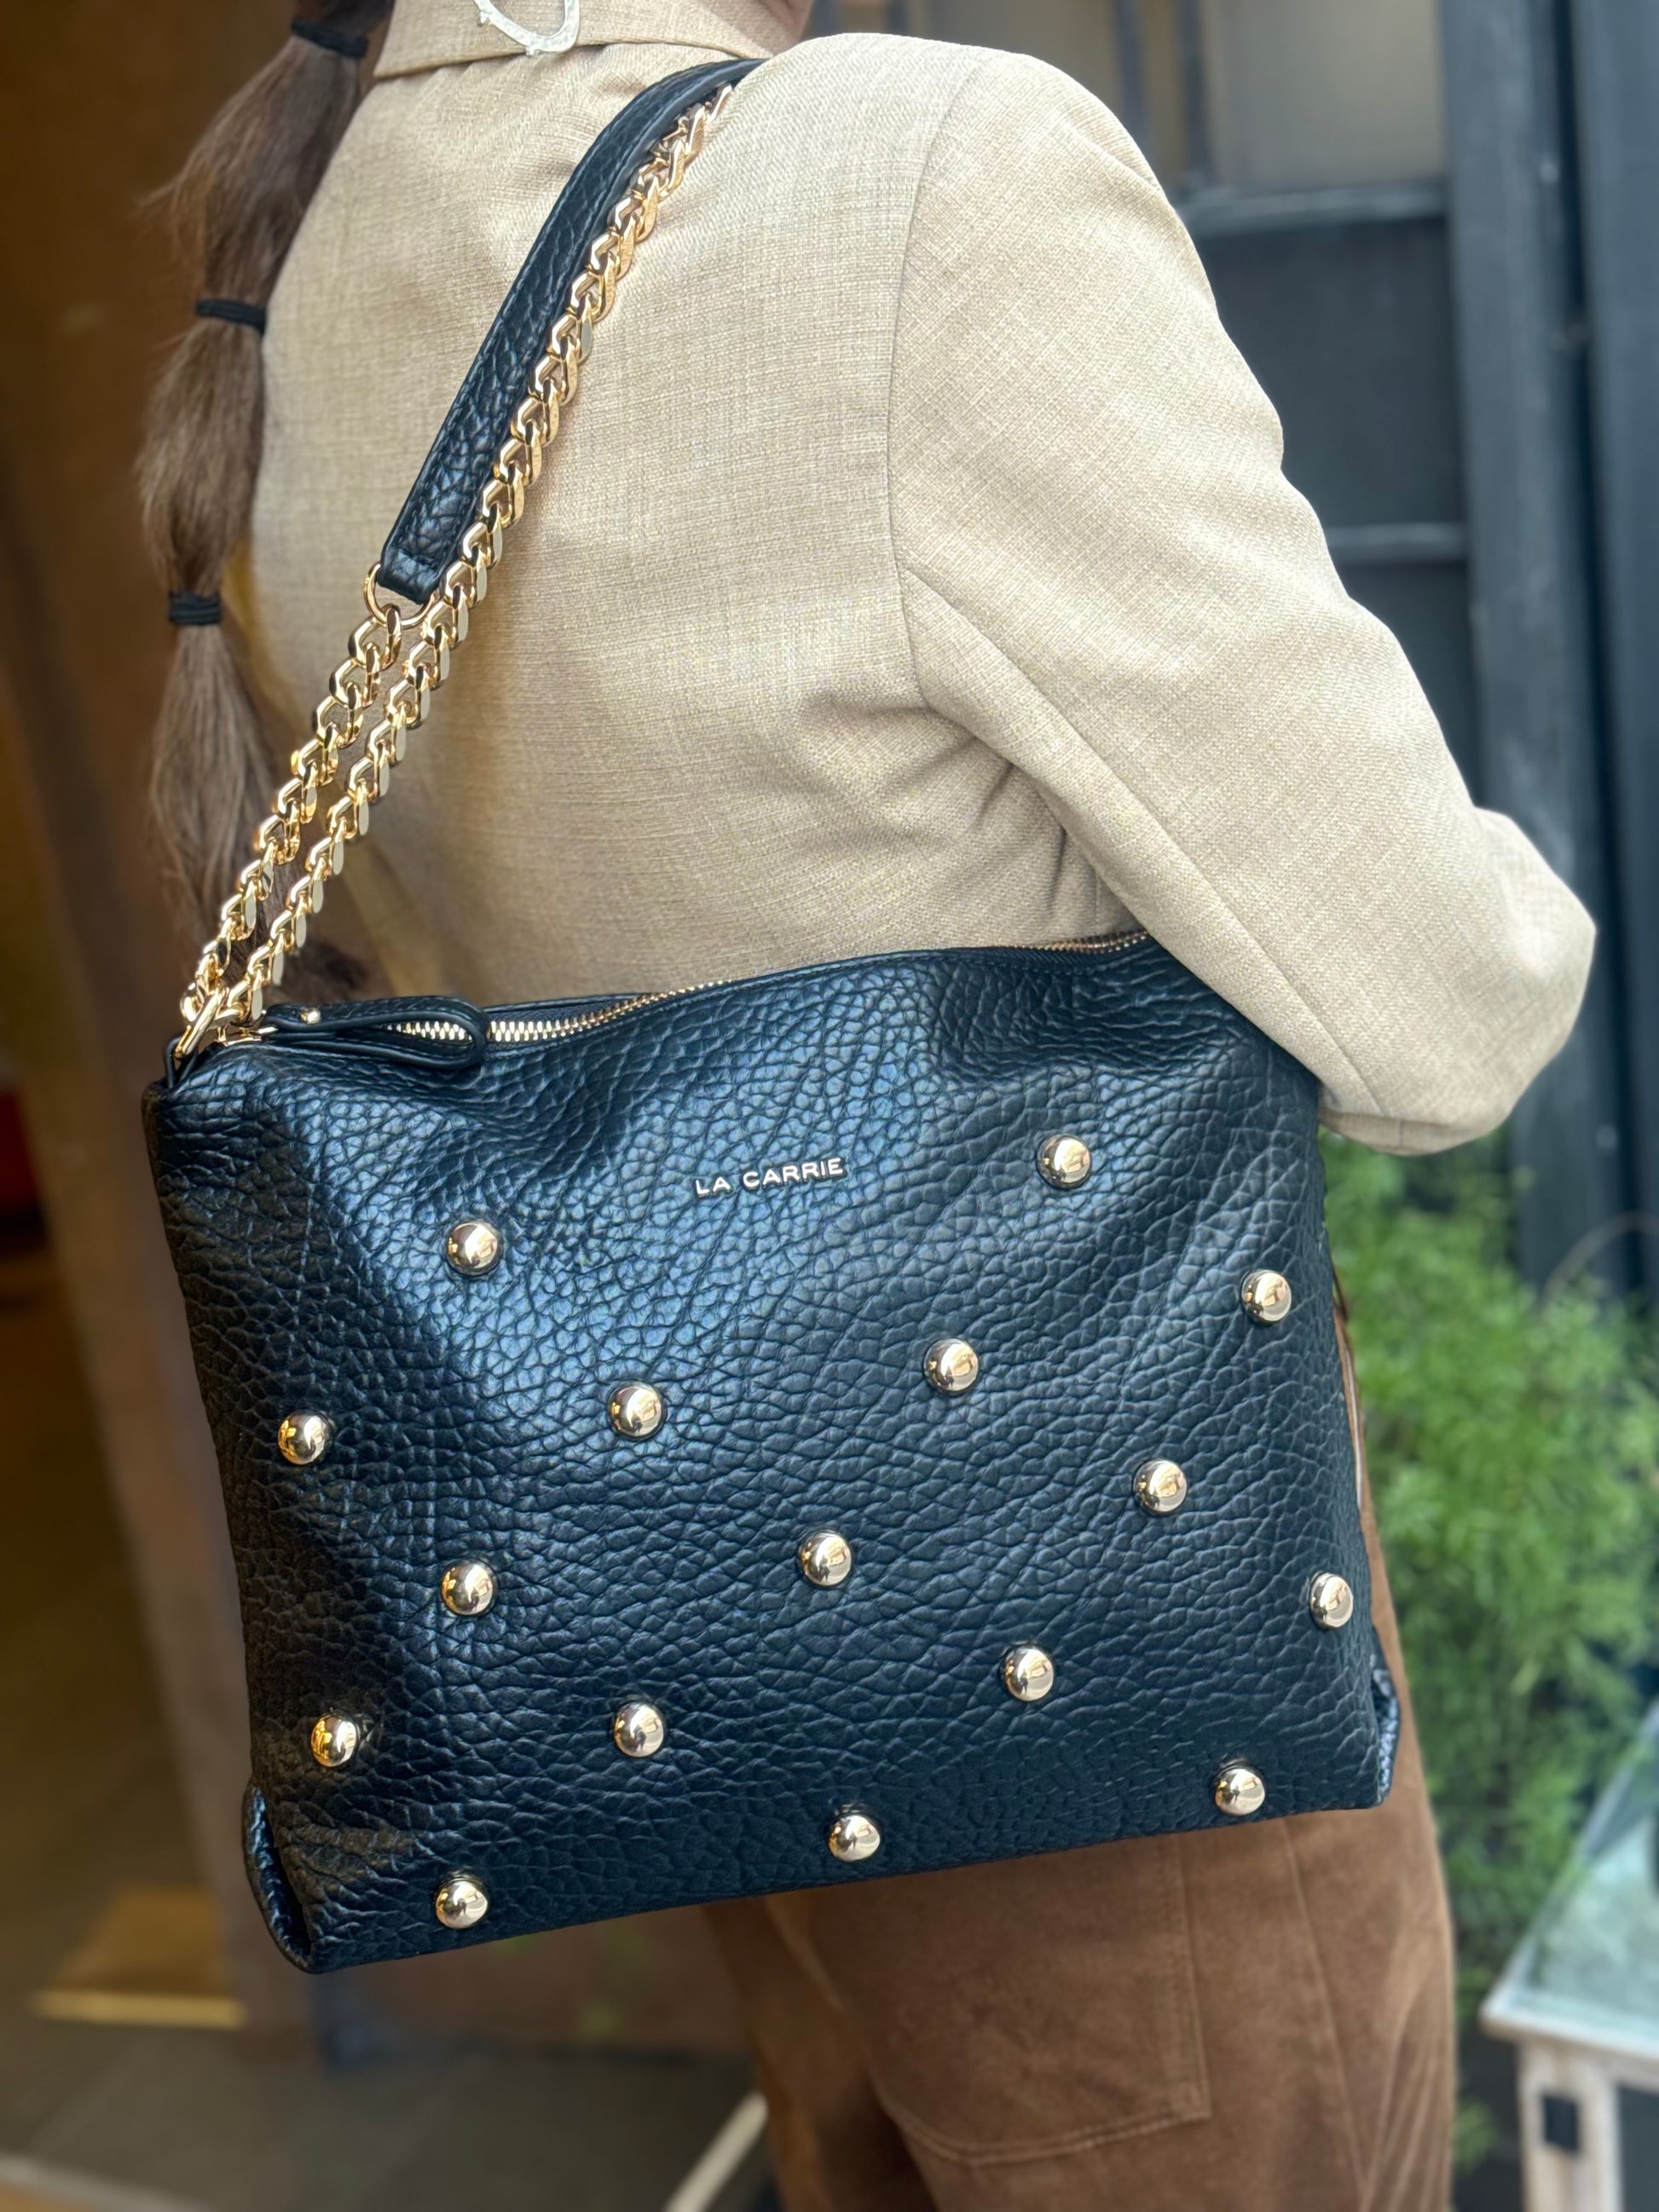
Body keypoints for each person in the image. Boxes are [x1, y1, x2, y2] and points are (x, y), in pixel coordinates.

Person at [139, 4, 1593, 2207]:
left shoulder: (307, 248)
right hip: (1103, 1699)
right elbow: (1444, 1013)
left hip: (700, 1678)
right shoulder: (927, 184)